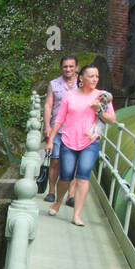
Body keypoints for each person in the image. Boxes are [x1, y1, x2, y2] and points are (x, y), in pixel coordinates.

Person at [46, 64, 116, 227]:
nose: (95, 79)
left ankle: (76, 215)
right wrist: (51, 140)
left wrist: (99, 110)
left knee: (83, 176)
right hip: (68, 140)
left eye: (97, 76)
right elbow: (59, 120)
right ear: (81, 78)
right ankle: (58, 201)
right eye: (91, 76)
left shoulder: (102, 97)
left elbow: (112, 119)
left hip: (90, 141)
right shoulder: (70, 96)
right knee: (66, 175)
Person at [43, 55, 79, 205]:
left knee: (73, 164)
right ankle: (51, 192)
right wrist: (47, 126)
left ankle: (71, 195)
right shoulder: (54, 84)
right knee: (55, 161)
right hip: (58, 129)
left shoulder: (82, 83)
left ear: (76, 67)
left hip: (76, 130)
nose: (68, 69)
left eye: (71, 66)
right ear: (61, 68)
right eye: (65, 66)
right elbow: (48, 105)